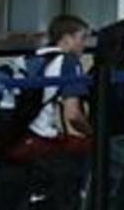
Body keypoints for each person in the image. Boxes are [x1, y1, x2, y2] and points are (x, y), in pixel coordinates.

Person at [5, 14, 93, 163]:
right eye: (82, 38)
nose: (85, 44)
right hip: (41, 140)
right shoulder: (68, 62)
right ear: (67, 38)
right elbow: (73, 115)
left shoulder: (32, 58)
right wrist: (92, 133)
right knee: (96, 149)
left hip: (15, 139)